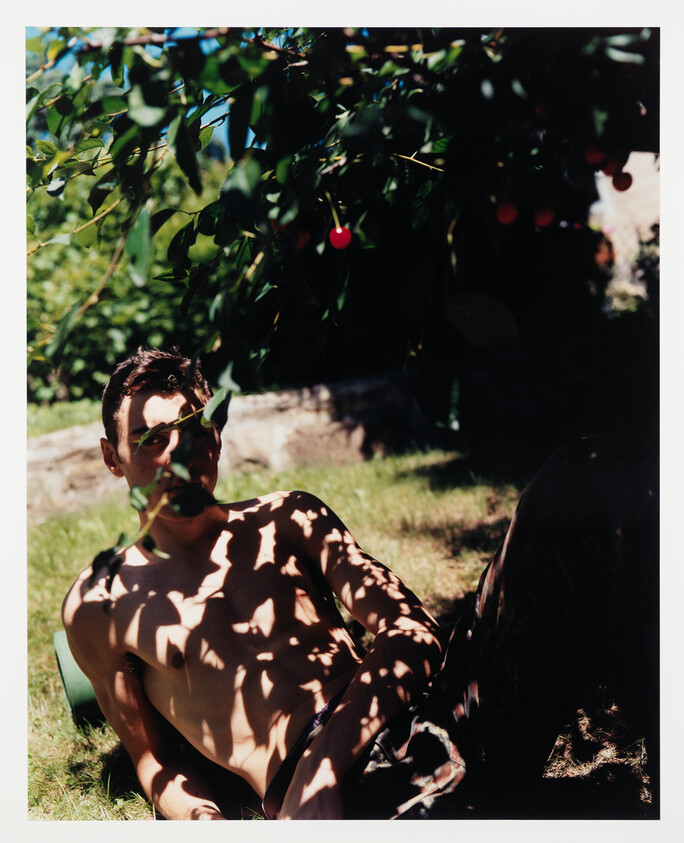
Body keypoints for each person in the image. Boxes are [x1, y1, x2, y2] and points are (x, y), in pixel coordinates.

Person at [62, 347, 658, 820]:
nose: (179, 455)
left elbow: (414, 633)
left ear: (216, 435)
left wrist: (321, 767)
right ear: (112, 457)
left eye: (194, 429)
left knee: (582, 475)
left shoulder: (287, 517)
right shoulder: (100, 605)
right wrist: (204, 822)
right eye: (151, 438)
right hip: (355, 794)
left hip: (436, 704)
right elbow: (153, 761)